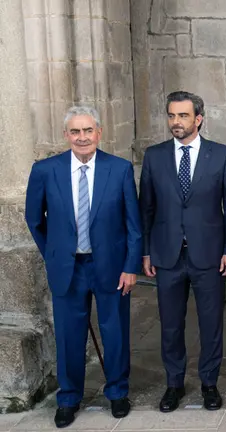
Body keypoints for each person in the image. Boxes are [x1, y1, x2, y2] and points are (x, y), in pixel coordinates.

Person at [25, 106, 141, 428]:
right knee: (69, 336)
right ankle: (69, 398)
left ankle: (117, 392)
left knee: (114, 332)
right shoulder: (45, 170)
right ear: (66, 136)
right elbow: (34, 219)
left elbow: (133, 225)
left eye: (88, 131)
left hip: (111, 266)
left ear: (99, 133)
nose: (82, 137)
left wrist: (131, 266)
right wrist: (53, 254)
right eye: (75, 132)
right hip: (68, 268)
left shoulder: (118, 170)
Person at [139, 91, 226, 412]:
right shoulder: (154, 156)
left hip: (210, 256)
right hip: (167, 256)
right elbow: (146, 209)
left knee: (211, 323)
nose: (175, 122)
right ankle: (174, 384)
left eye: (183, 116)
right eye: (171, 115)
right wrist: (145, 252)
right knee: (170, 324)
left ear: (198, 118)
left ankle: (209, 383)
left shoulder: (220, 154)